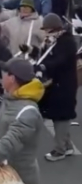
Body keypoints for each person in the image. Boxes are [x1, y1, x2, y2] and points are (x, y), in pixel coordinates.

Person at [35, 13, 78, 161]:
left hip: (65, 84)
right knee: (58, 116)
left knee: (62, 117)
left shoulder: (67, 42)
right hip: (54, 84)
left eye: (48, 29)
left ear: (56, 28)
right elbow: (45, 56)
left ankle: (59, 150)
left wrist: (44, 66)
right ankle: (67, 146)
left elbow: (60, 60)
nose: (46, 33)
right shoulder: (50, 41)